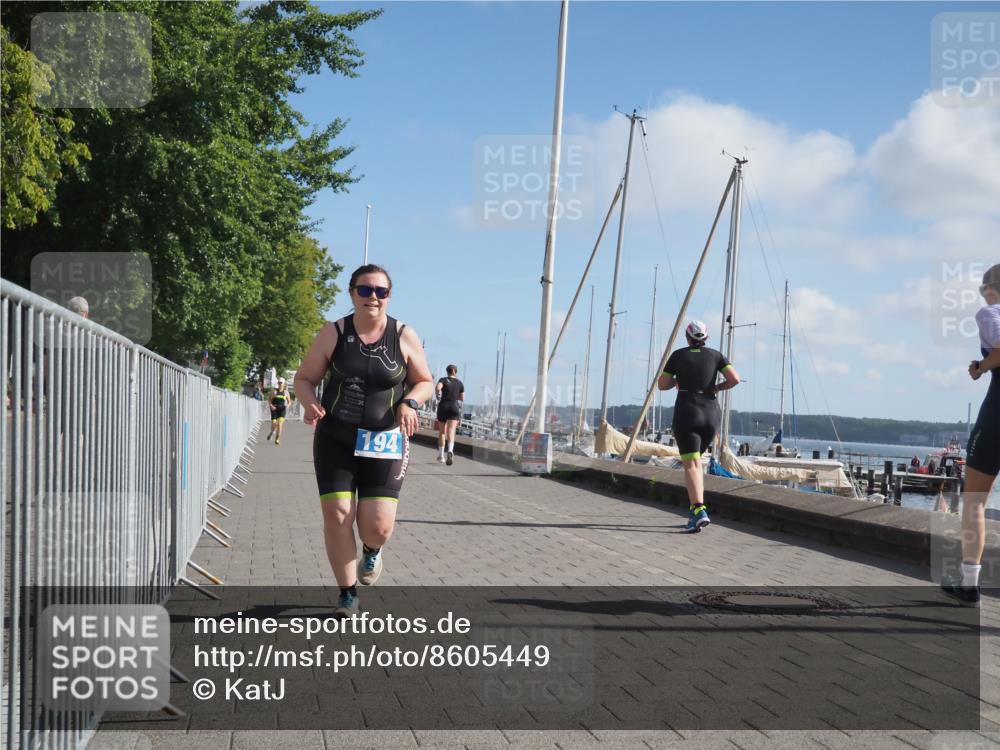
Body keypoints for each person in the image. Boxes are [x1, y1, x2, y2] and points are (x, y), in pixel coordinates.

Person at [294, 264, 433, 616]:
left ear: (389, 296)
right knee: (338, 513)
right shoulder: (334, 333)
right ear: (352, 292)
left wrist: (410, 402)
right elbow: (304, 378)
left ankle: (372, 549)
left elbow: (425, 381)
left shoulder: (403, 335)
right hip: (336, 438)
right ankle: (347, 591)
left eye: (381, 291)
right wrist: (309, 402)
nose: (373, 297)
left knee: (378, 525)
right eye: (365, 290)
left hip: (385, 441)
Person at [941, 264, 1000, 606]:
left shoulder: (990, 311)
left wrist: (980, 367)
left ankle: (968, 584)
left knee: (975, 501)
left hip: (997, 417)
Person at [658, 320, 740, 532]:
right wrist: (717, 387)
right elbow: (734, 379)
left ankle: (699, 509)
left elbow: (662, 384)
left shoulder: (678, 355)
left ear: (687, 337)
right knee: (697, 464)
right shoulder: (717, 355)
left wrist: (677, 380)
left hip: (688, 412)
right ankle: (695, 512)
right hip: (711, 415)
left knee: (692, 464)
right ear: (706, 338)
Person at [435, 364, 465, 465]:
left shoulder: (443, 380)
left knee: (442, 432)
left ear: (447, 371)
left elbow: (438, 387)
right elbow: (462, 398)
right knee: (451, 431)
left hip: (443, 405)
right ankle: (450, 450)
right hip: (454, 406)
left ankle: (441, 456)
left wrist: (438, 394)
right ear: (455, 372)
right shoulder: (460, 383)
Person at [266, 378, 293, 445]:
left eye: (281, 383)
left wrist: (288, 406)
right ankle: (271, 433)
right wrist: (271, 406)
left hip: (282, 409)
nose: (280, 384)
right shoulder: (274, 391)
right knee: (274, 424)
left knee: (280, 424)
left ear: (284, 384)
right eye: (279, 383)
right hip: (274, 409)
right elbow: (269, 400)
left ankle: (277, 439)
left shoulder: (286, 392)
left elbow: (289, 402)